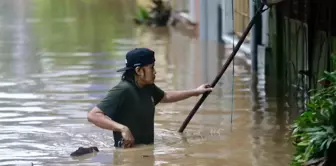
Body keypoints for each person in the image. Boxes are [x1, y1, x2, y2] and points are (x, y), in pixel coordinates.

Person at [87, 48, 213, 148]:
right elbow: (93, 115)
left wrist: (196, 91)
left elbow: (166, 96)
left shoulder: (148, 87)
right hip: (128, 156)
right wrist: (122, 129)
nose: (155, 72)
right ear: (138, 70)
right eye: (151, 67)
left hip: (146, 151)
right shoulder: (123, 90)